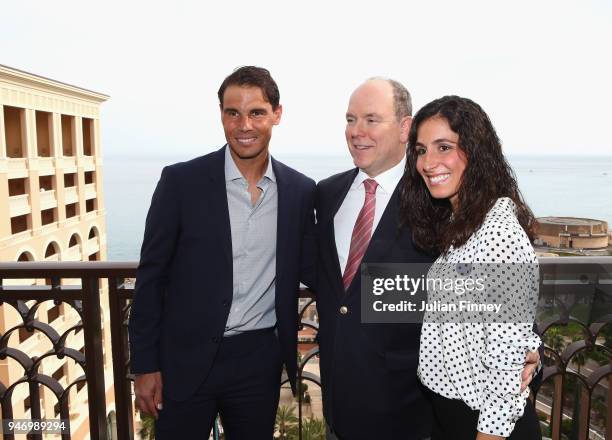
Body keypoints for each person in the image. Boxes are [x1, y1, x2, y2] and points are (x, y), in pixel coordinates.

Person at [315, 79, 541, 440]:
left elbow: (507, 321)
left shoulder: (467, 218)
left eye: (372, 119)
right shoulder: (328, 195)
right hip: (349, 410)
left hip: (415, 418)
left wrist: (528, 354)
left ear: (403, 127)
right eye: (350, 119)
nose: (357, 131)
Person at [128, 66, 316, 439]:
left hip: (258, 362)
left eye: (256, 112)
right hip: (185, 360)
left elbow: (316, 265)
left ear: (277, 115)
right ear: (221, 116)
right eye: (233, 113)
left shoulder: (299, 190)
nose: (244, 125)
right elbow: (151, 279)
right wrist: (145, 366)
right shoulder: (181, 182)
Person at [400, 95, 542, 439]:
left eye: (444, 147)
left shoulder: (498, 234)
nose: (428, 162)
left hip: (484, 426)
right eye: (421, 150)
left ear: (475, 152)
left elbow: (506, 374)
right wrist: (529, 342)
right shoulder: (462, 225)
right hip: (452, 417)